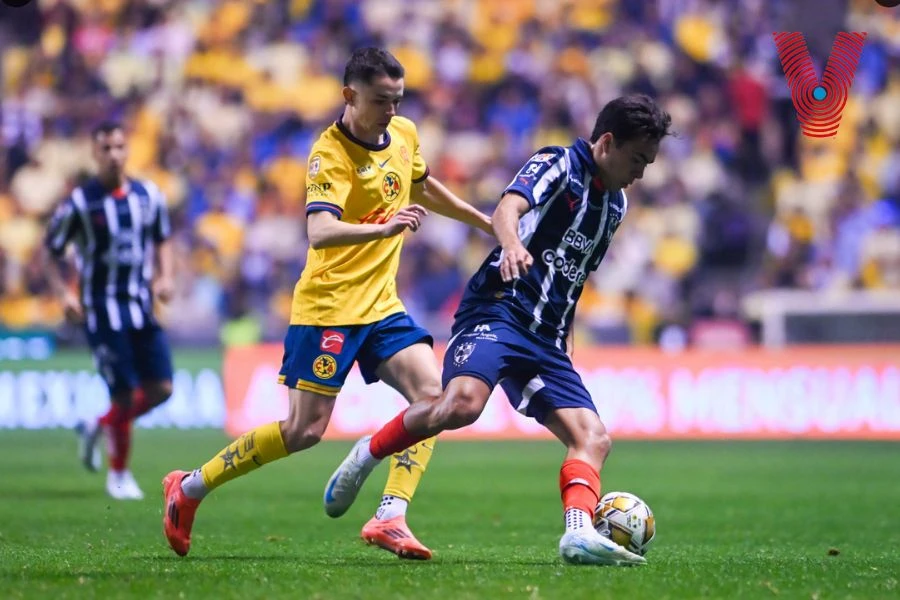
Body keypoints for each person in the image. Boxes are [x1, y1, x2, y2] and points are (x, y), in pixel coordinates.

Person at [162, 47, 492, 559]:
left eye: (398, 100)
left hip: (381, 304)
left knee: (437, 400)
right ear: (349, 95)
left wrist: (485, 223)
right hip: (329, 306)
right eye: (382, 101)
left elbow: (422, 188)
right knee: (304, 430)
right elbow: (318, 231)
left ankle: (391, 516)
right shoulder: (328, 154)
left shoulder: (403, 135)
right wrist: (383, 227)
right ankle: (188, 489)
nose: (392, 111)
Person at [324, 94, 672, 566]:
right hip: (497, 312)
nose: (641, 173)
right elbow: (508, 207)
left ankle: (577, 532)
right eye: (637, 160)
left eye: (648, 164)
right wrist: (509, 245)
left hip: (546, 339)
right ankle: (369, 452)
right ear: (607, 143)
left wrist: (563, 336)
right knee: (462, 405)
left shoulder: (616, 206)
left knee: (593, 437)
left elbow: (572, 274)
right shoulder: (558, 164)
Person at [44, 121, 176, 500]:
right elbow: (51, 250)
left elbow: (162, 238)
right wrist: (64, 295)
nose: (114, 154)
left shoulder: (148, 195)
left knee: (163, 388)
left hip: (141, 306)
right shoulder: (80, 203)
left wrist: (165, 277)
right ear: (94, 153)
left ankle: (96, 425)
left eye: (120, 146)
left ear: (127, 150)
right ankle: (118, 476)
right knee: (124, 394)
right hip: (102, 312)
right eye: (106, 148)